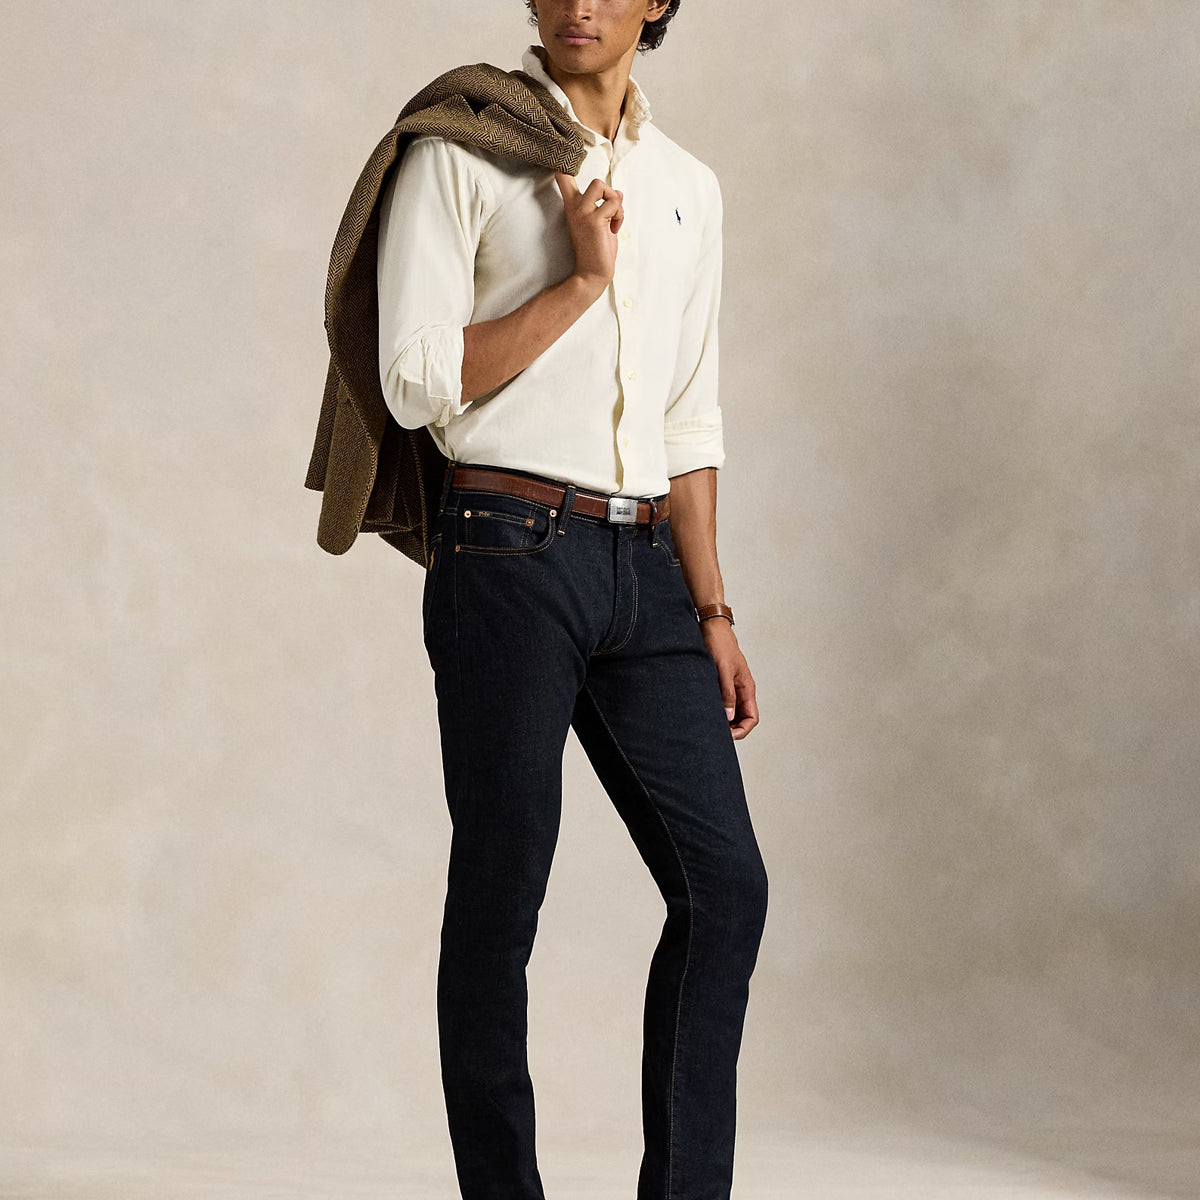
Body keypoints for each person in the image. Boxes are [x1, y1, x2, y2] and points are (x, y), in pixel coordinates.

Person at [375, 2, 769, 1196]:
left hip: (646, 568)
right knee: (502, 901)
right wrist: (582, 283)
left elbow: (688, 417)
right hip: (507, 552)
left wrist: (712, 610)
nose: (580, 5)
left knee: (726, 890)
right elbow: (413, 380)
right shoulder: (464, 147)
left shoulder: (688, 187)